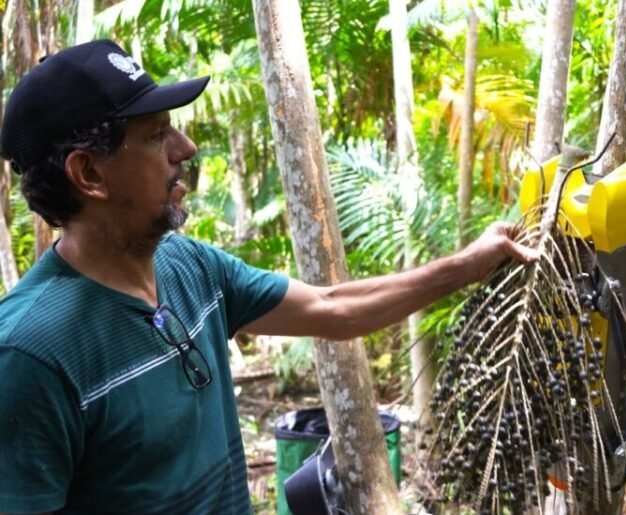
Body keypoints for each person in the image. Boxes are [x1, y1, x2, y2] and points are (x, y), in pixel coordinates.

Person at [0, 39, 536, 514]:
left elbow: (333, 308)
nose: (185, 148)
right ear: (89, 173)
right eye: (157, 135)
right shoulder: (30, 354)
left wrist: (468, 264)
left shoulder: (190, 266)